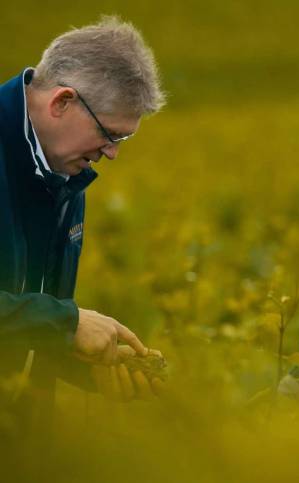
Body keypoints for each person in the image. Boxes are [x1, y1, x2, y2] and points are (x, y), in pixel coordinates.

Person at [0, 16, 166, 417]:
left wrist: (89, 366)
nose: (112, 153)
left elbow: (25, 325)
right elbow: (46, 319)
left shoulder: (66, 175)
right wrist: (65, 324)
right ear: (62, 102)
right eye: (111, 134)